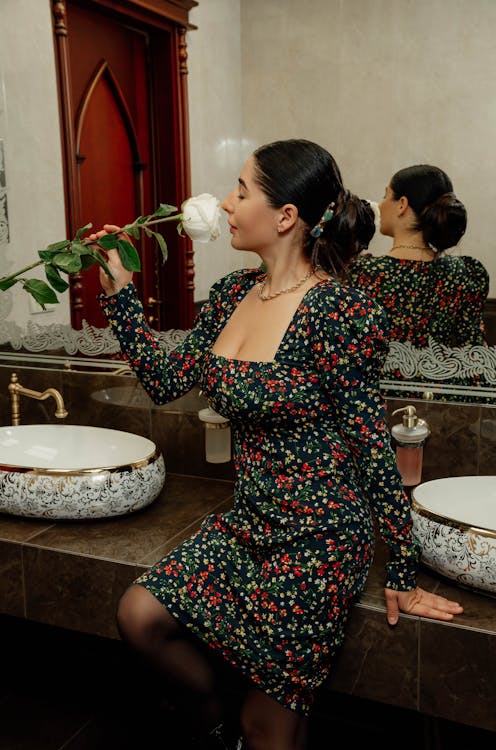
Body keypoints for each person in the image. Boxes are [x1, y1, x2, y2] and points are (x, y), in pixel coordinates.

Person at [89, 139, 463, 750]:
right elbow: (166, 380)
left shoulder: (336, 311)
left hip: (316, 543)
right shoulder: (235, 292)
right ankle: (213, 719)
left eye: (242, 191)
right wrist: (119, 291)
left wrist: (401, 566)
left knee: (268, 729)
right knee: (140, 615)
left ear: (285, 216)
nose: (227, 204)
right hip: (248, 523)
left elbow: (372, 445)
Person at [347, 164, 489, 349]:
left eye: (386, 196)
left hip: (376, 378)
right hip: (440, 376)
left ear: (402, 204)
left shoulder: (361, 272)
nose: (381, 204)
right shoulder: (464, 273)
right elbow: (475, 351)